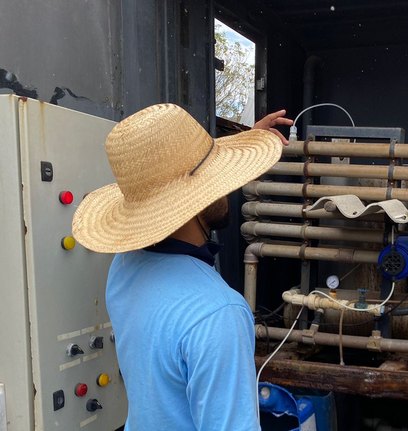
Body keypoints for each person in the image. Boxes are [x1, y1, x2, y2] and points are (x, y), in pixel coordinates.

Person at [72, 105, 292, 430]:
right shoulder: (218, 312)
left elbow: (187, 205)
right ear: (196, 200)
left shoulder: (125, 266)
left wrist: (242, 145)